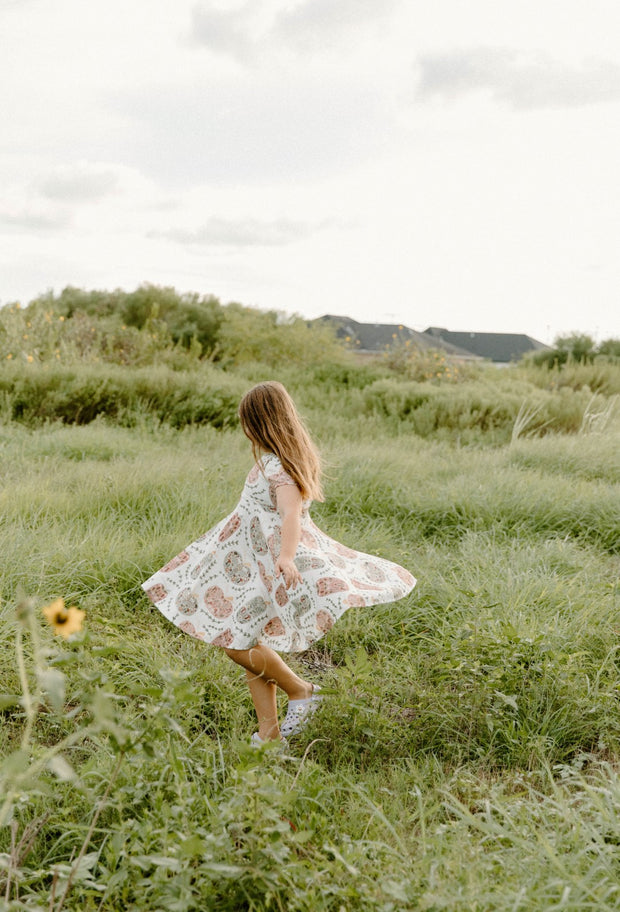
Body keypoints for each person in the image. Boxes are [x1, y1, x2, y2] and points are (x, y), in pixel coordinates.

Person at [142, 381, 416, 746]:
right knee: (245, 638)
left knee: (237, 644)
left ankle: (302, 690)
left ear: (261, 422)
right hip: (251, 565)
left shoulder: (279, 467)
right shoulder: (273, 461)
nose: (246, 431)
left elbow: (291, 515)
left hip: (268, 566)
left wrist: (285, 558)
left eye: (247, 423)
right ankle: (269, 735)